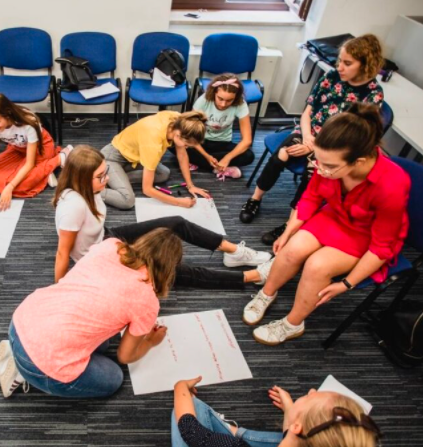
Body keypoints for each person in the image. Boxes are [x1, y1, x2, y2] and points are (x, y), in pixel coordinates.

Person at [243, 103, 409, 346]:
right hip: (335, 216)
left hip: (366, 234)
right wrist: (288, 232)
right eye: (318, 161)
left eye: (329, 166)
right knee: (292, 249)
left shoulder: (392, 184)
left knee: (317, 266)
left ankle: (293, 323)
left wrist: (346, 283)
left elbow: (381, 246)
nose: (320, 169)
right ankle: (267, 293)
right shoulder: (329, 164)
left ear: (358, 162)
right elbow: (310, 198)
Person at [0, 228, 181, 398]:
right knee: (115, 377)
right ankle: (22, 371)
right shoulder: (148, 300)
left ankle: (14, 350)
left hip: (21, 321)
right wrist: (150, 342)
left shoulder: (111, 245)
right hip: (40, 363)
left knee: (103, 344)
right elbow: (125, 356)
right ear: (169, 270)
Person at [53, 145, 272, 287]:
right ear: (82, 178)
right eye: (101, 176)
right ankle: (251, 277)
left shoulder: (91, 190)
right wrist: (59, 291)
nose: (107, 179)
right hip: (100, 259)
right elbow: (63, 253)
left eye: (106, 172)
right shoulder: (73, 206)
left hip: (107, 238)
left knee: (176, 223)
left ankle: (234, 252)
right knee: (169, 270)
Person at [240, 34, 385, 230]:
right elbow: (308, 111)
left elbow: (355, 136)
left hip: (335, 146)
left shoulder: (373, 94)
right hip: (308, 132)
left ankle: (291, 222)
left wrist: (314, 147)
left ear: (365, 65)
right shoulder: (331, 76)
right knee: (282, 154)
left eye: (347, 63)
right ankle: (255, 199)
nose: (340, 67)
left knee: (312, 172)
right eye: (340, 60)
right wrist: (308, 138)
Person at [172, 377, 381, 447]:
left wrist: (180, 386)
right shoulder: (305, 436)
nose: (311, 390)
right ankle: (235, 431)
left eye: (310, 397)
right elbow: (295, 435)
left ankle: (235, 432)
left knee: (188, 407)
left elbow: (191, 431)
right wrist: (292, 410)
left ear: (296, 426)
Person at [0, 93, 67, 211]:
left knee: (22, 185)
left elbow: (29, 163)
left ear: (8, 114)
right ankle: (43, 171)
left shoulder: (29, 122)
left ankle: (60, 158)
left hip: (41, 148)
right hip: (17, 148)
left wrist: (10, 187)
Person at [100, 110, 211, 210]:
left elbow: (182, 155)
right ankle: (91, 190)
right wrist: (178, 202)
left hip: (134, 157)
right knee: (127, 201)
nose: (186, 147)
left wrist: (190, 185)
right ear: (178, 135)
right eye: (186, 145)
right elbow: (147, 190)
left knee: (163, 174)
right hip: (112, 158)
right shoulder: (153, 143)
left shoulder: (180, 120)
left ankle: (114, 179)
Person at [174, 73, 254, 179]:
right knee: (174, 142)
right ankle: (218, 167)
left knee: (249, 156)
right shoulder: (204, 100)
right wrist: (207, 156)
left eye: (229, 100)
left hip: (223, 143)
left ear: (236, 97)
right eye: (220, 98)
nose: (223, 104)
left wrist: (227, 158)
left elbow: (247, 141)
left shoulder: (241, 104)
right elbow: (191, 132)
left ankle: (198, 162)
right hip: (199, 141)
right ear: (214, 92)